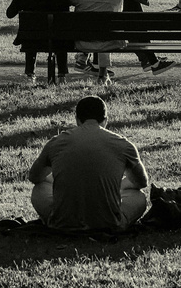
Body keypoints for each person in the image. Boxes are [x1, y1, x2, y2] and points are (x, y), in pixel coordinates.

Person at [27, 95, 149, 232]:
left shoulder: (56, 142)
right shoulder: (123, 144)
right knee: (139, 196)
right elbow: (141, 182)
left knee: (39, 188)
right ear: (105, 120)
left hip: (62, 223)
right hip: (109, 223)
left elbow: (34, 177)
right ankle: (120, 222)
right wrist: (119, 185)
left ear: (77, 120)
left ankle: (54, 219)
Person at [7, 0, 73, 82]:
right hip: (56, 40)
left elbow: (10, 13)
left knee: (33, 29)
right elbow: (66, 18)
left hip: (31, 39)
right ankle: (62, 74)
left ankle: (30, 74)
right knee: (60, 31)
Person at [68, 0, 126, 81]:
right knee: (105, 29)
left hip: (83, 42)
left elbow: (64, 3)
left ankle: (82, 58)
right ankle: (102, 75)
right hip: (109, 41)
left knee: (93, 27)